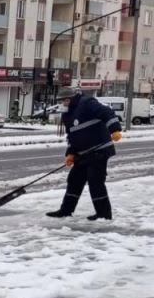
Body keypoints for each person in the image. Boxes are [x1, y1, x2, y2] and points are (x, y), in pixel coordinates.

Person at [46, 87, 122, 220]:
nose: (60, 105)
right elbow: (72, 136)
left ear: (68, 99)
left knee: (95, 181)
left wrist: (114, 129)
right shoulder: (67, 114)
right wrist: (70, 153)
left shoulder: (87, 103)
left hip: (100, 149)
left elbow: (107, 112)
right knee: (74, 180)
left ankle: (103, 214)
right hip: (82, 154)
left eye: (61, 101)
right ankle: (66, 210)